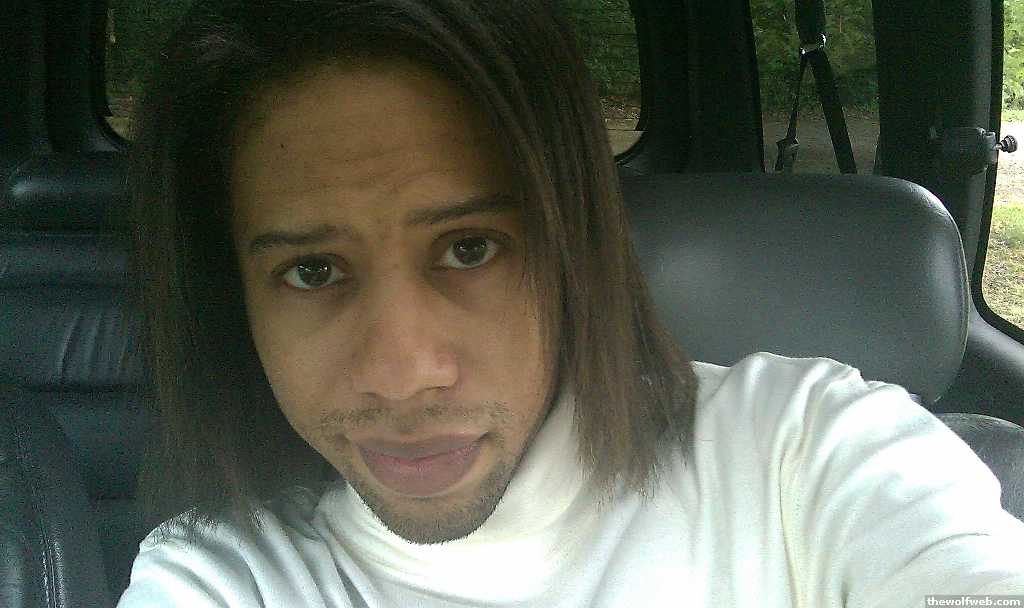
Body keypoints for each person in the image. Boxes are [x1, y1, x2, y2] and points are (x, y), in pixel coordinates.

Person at [117, 0, 1024, 606]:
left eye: (470, 249)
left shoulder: (806, 446)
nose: (401, 374)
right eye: (313, 271)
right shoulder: (220, 578)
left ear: (574, 249)